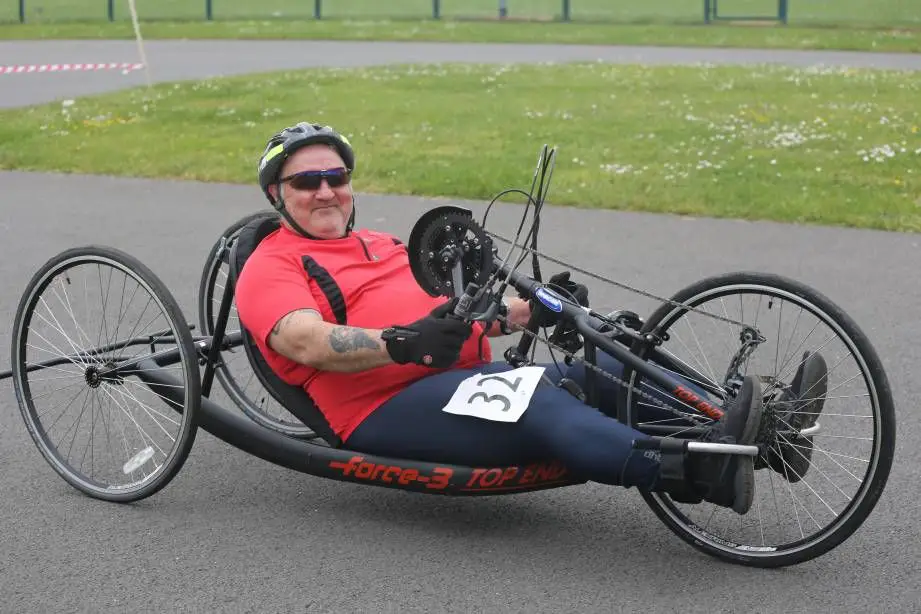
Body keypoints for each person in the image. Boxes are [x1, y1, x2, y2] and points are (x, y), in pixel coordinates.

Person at [235, 121, 828, 514]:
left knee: (599, 370)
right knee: (540, 403)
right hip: (378, 406)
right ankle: (698, 474)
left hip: (456, 381)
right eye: (305, 181)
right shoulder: (272, 266)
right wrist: (400, 343)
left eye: (335, 177)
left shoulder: (383, 244)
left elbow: (462, 317)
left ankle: (766, 433)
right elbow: (306, 342)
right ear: (276, 195)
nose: (325, 191)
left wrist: (536, 312)